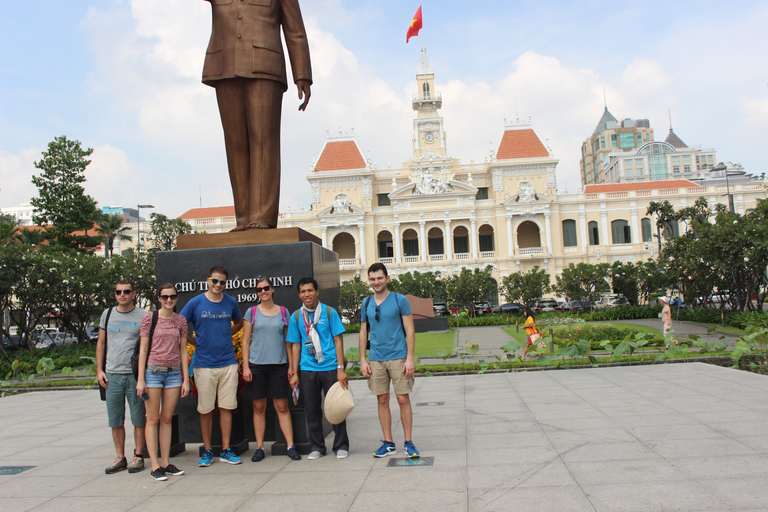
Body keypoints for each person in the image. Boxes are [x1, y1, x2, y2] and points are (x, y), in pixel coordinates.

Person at [202, 0, 312, 231]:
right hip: (224, 65)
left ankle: (262, 215)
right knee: (235, 144)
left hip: (265, 66)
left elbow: (295, 30)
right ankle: (242, 217)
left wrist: (301, 74)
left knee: (264, 142)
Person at [180, 266, 244, 467]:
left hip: (228, 364)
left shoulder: (230, 302)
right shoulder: (195, 303)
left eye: (222, 282)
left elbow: (240, 322)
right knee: (206, 409)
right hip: (204, 365)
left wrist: (228, 334)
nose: (218, 285)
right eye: (214, 281)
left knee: (227, 407)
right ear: (208, 280)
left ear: (226, 283)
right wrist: (193, 342)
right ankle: (207, 451)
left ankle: (225, 450)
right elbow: (181, 324)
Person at [359, 263, 420, 459]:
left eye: (379, 278)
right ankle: (388, 443)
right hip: (376, 358)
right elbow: (363, 332)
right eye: (372, 279)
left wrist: (409, 358)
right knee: (382, 399)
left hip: (398, 356)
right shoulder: (366, 303)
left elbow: (410, 330)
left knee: (403, 399)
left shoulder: (399, 300)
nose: (376, 282)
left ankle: (409, 442)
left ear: (387, 278)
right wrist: (362, 360)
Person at [286, 277, 349, 460]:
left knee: (336, 407)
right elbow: (295, 345)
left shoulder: (329, 313)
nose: (307, 294)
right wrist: (294, 372)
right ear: (299, 294)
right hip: (308, 369)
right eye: (303, 291)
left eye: (310, 290)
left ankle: (341, 445)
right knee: (312, 409)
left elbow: (338, 340)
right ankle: (317, 446)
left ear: (317, 292)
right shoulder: (296, 316)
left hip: (329, 366)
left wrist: (340, 368)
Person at [242, 277, 301, 462]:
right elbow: (245, 340)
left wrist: (292, 367)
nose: (263, 292)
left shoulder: (283, 312)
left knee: (281, 407)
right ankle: (259, 448)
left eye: (266, 288)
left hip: (278, 365)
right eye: (259, 289)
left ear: (272, 289)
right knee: (258, 408)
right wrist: (245, 366)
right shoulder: (251, 312)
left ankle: (291, 446)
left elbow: (289, 341)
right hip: (257, 366)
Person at [136, 284, 190, 482]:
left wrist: (186, 378)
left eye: (172, 296)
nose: (169, 300)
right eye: (165, 296)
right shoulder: (150, 318)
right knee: (153, 419)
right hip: (153, 372)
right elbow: (143, 350)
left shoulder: (181, 321)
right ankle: (155, 465)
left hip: (174, 373)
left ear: (177, 298)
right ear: (159, 298)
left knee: (167, 418)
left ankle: (166, 462)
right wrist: (140, 379)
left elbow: (183, 350)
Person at [96, 279, 146, 474]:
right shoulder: (107, 315)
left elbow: (145, 346)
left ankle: (138, 456)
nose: (122, 295)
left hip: (134, 375)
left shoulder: (144, 316)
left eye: (126, 291)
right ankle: (120, 457)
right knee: (115, 419)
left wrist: (142, 376)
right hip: (112, 375)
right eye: (118, 292)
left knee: (138, 418)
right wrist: (99, 370)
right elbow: (101, 343)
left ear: (134, 294)